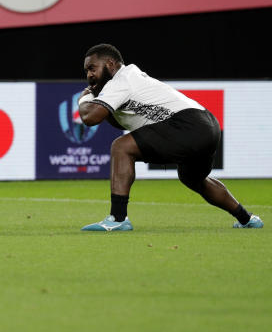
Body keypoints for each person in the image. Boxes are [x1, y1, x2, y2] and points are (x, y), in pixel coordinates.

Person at [77, 44, 263, 231]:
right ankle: (247, 219)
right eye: (86, 71)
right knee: (192, 178)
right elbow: (121, 122)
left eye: (92, 68)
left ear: (110, 63)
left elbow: (90, 117)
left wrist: (85, 98)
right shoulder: (128, 78)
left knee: (121, 147)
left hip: (187, 124)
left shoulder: (120, 81)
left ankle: (117, 219)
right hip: (207, 125)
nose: (89, 75)